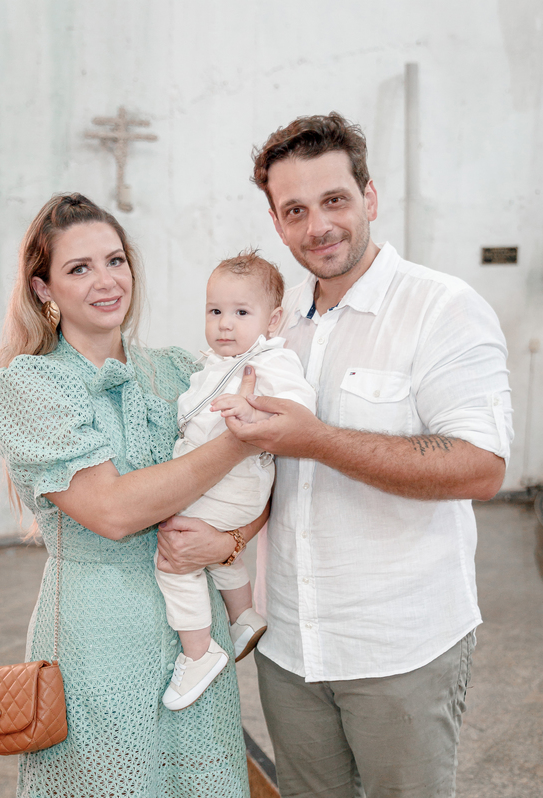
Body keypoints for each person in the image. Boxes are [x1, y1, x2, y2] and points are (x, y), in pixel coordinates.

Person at [208, 113, 511, 798]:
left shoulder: (441, 309)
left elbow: (482, 466)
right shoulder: (274, 333)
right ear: (277, 222)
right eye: (295, 210)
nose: (318, 226)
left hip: (400, 647)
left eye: (334, 200)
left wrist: (317, 440)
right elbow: (266, 474)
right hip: (290, 650)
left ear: (369, 198)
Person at [0, 193, 268, 797]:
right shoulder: (28, 383)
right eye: (79, 268)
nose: (106, 281)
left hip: (195, 634)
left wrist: (228, 539)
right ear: (44, 289)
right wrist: (240, 440)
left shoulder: (177, 369)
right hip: (96, 631)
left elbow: (265, 471)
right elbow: (111, 512)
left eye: (115, 261)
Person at [157, 250, 316, 711]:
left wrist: (253, 412)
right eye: (215, 311)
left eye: (241, 313)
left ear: (273, 319)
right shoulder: (216, 363)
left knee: (176, 556)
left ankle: (198, 652)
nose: (225, 324)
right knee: (210, 548)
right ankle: (243, 615)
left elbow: (300, 408)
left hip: (236, 481)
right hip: (228, 484)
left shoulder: (267, 361)